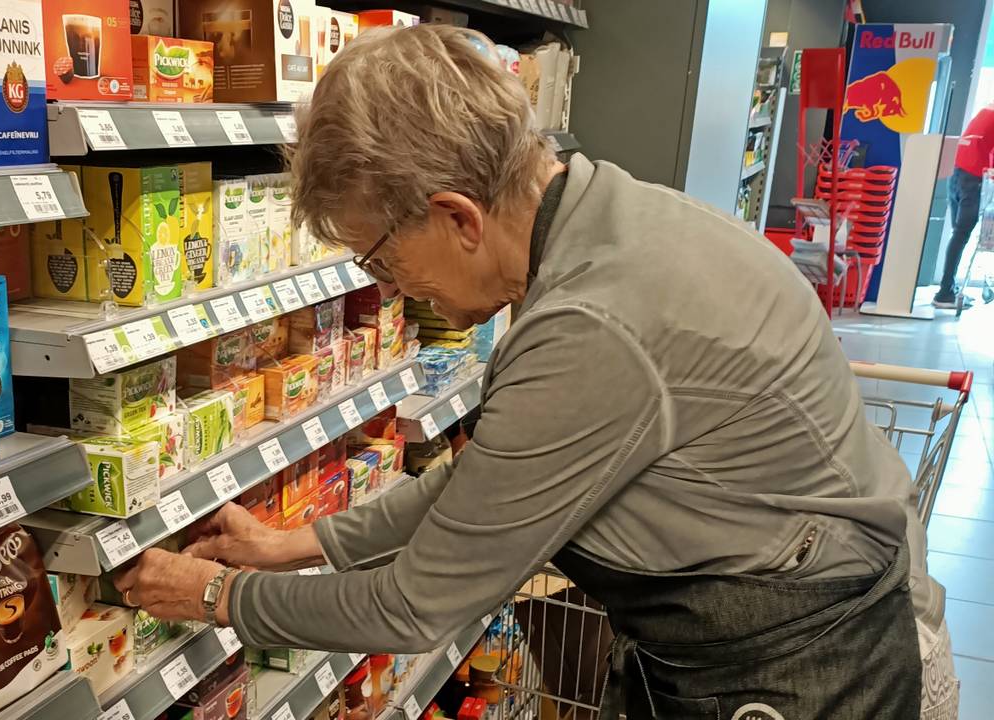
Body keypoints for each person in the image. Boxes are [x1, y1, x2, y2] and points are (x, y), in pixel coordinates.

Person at [113, 24, 957, 720]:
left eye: (378, 254)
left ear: (457, 217)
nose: (385, 288)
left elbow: (413, 607)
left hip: (806, 670)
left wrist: (217, 594)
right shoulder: (604, 213)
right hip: (784, 623)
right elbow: (492, 483)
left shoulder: (590, 326)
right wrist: (300, 541)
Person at [934, 103, 994, 309]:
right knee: (961, 236)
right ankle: (944, 292)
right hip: (972, 180)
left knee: (958, 236)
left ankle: (948, 288)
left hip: (958, 176)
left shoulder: (986, 111)